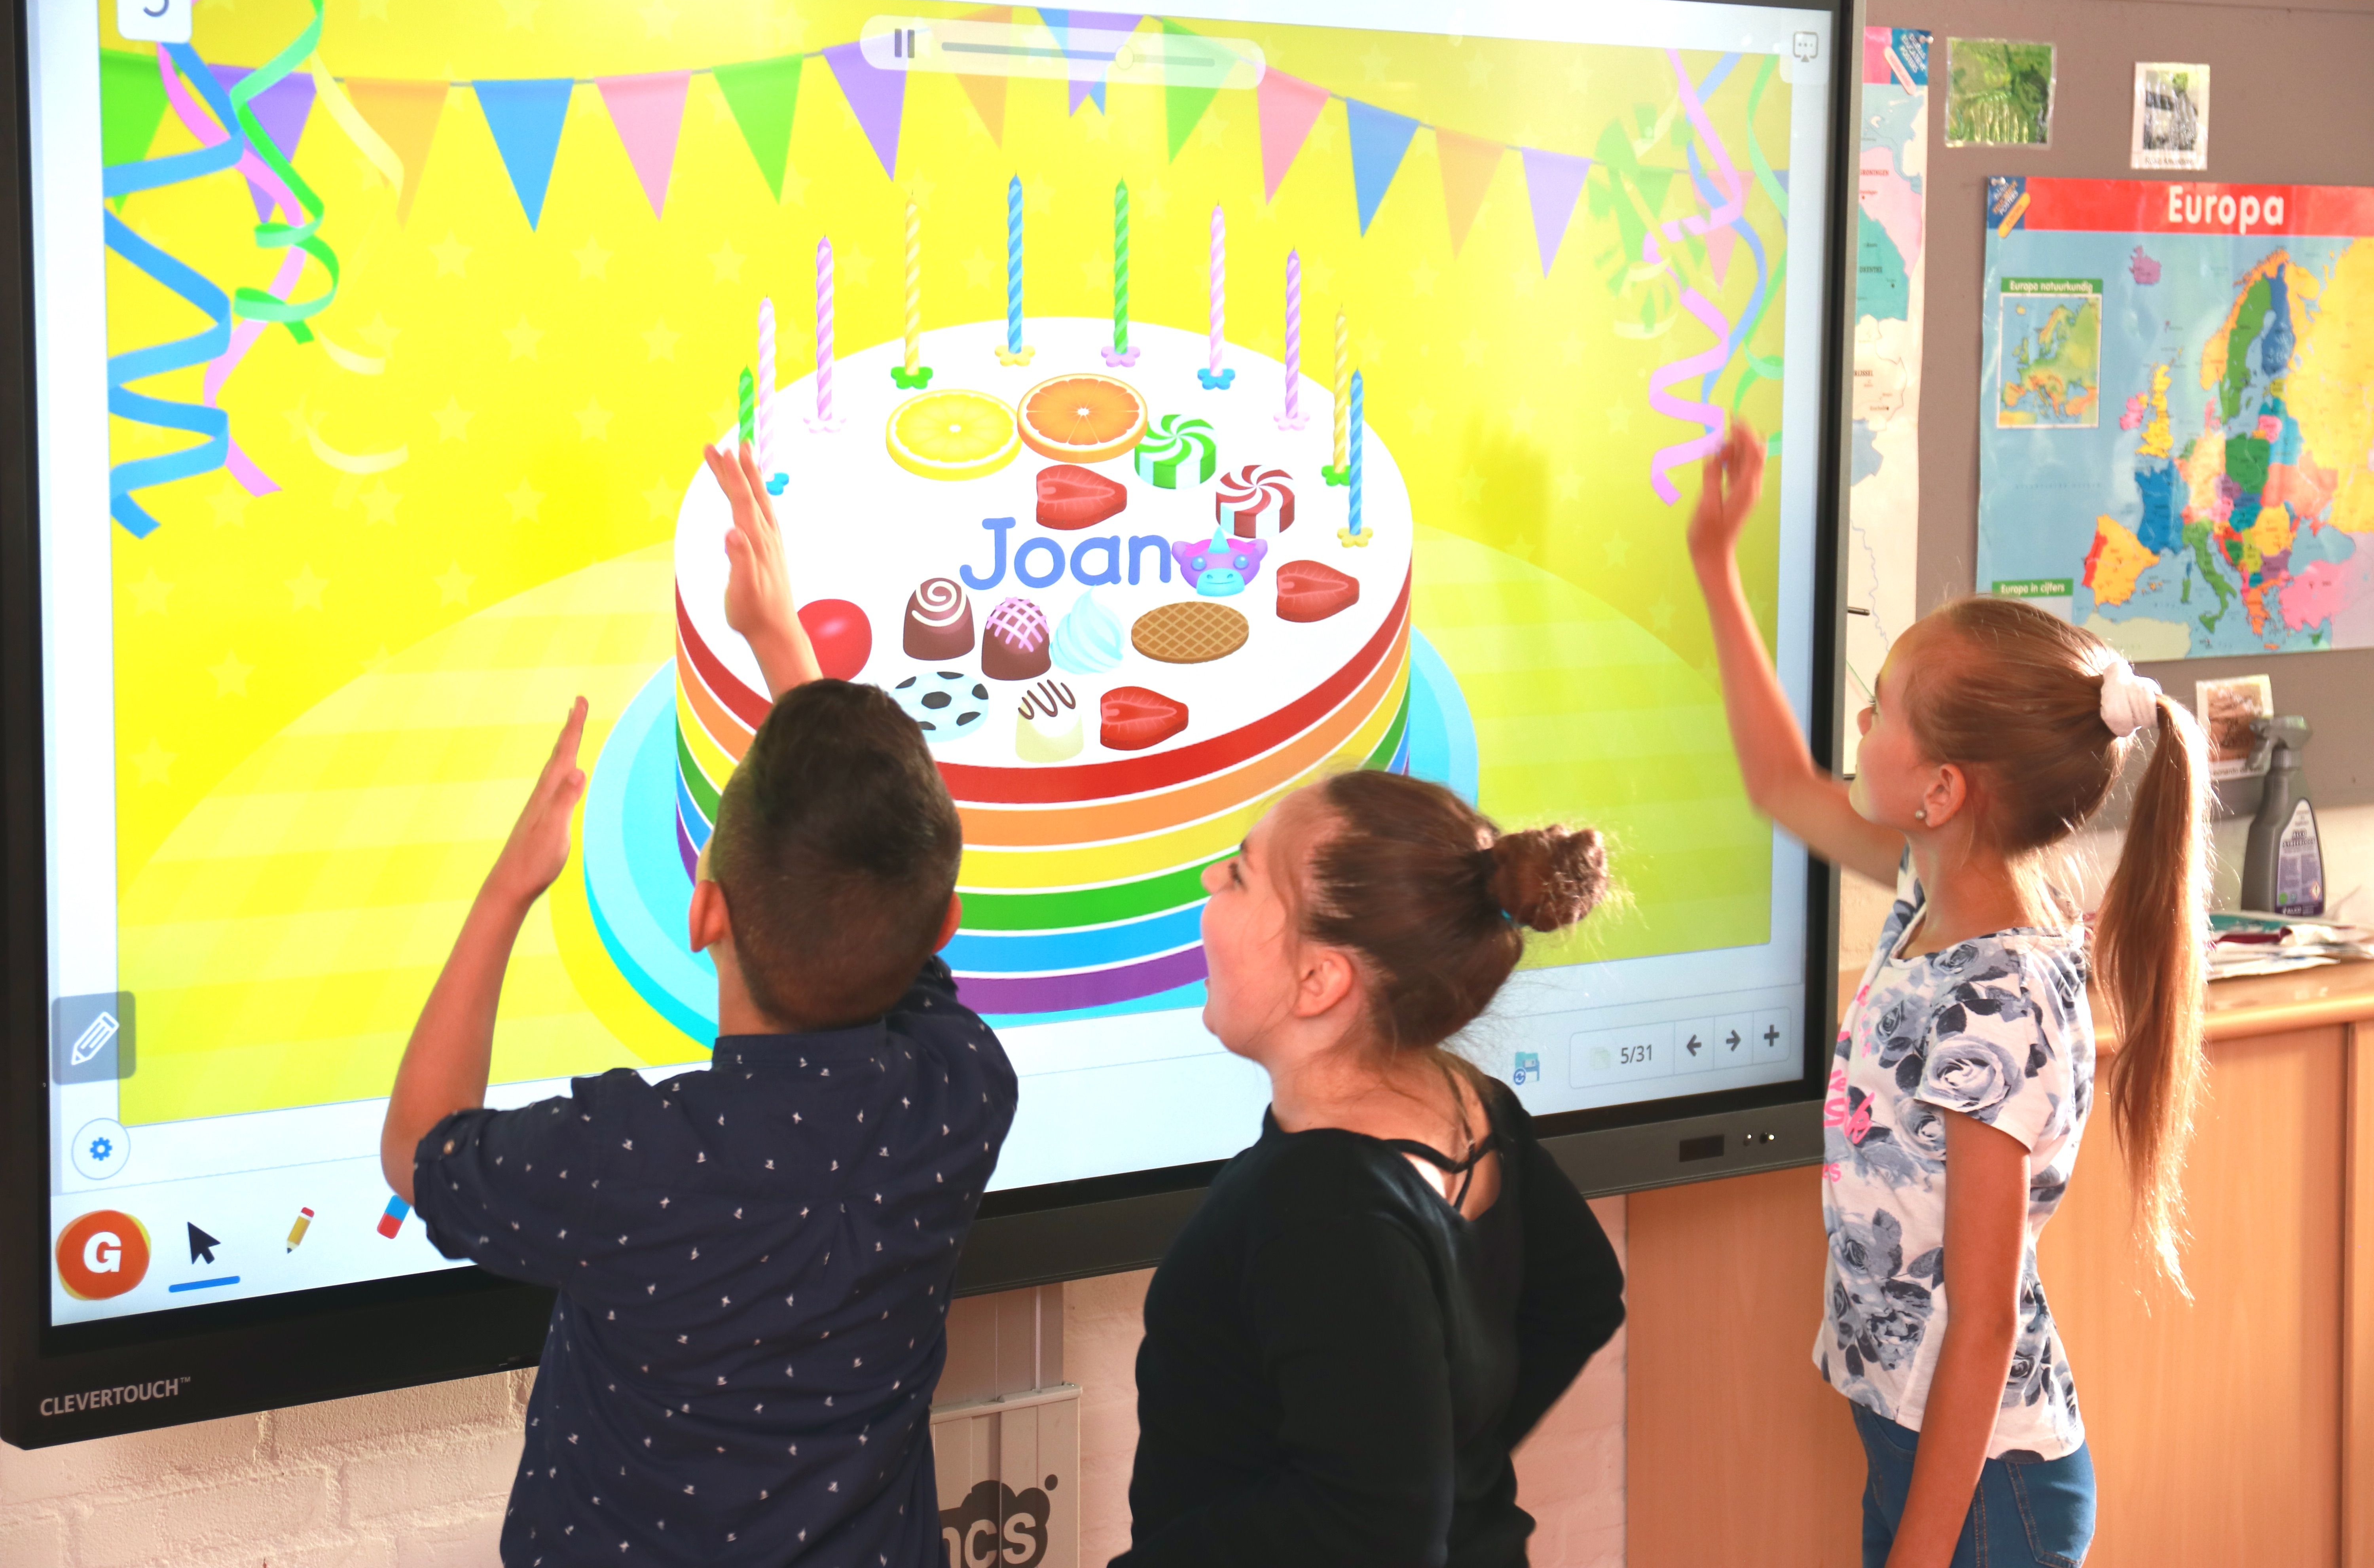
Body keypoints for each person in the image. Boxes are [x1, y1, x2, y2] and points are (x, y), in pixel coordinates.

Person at [378, 442, 1016, 1565]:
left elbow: (422, 1151)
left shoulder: (629, 1159)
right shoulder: (960, 1091)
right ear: (944, 931)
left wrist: (504, 893)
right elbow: (880, 870)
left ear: (703, 913)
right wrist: (783, 644)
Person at [1687, 418, 2208, 1568]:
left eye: (1881, 712)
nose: (1859, 727)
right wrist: (1717, 569)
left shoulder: (1997, 1000)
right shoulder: (1935, 895)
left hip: (1986, 1489)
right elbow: (1778, 779)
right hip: (1920, 1447)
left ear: (1941, 788)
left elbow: (1982, 1321)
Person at [1114, 770, 1629, 1567]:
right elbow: (1582, 1294)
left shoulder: (1318, 1205)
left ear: (1319, 979)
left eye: (1243, 872)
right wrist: (1444, 1464)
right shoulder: (1471, 1102)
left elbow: (1372, 1528)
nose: (1214, 877)